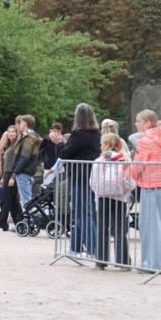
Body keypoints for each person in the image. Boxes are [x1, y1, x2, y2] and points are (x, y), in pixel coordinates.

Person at [59, 103, 101, 257]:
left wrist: (60, 144)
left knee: (82, 214)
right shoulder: (97, 134)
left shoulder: (78, 135)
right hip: (92, 177)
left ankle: (92, 249)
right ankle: (76, 247)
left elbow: (65, 154)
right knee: (84, 212)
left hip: (80, 178)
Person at [90, 133, 132, 269]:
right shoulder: (124, 159)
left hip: (103, 196)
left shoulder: (99, 160)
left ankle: (101, 261)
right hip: (120, 197)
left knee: (103, 228)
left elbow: (93, 181)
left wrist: (98, 192)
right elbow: (130, 180)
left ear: (106, 145)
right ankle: (123, 261)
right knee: (120, 229)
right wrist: (126, 193)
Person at [130, 110, 161, 271]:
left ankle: (151, 263)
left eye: (139, 121)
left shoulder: (144, 140)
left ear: (148, 123)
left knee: (149, 227)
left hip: (150, 185)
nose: (136, 124)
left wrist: (133, 176)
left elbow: (137, 167)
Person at [7, 115, 42, 207]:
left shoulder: (29, 138)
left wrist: (14, 174)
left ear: (25, 124)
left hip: (23, 172)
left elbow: (24, 157)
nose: (19, 125)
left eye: (21, 123)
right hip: (28, 172)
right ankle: (29, 220)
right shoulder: (33, 136)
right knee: (27, 199)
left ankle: (29, 220)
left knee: (26, 201)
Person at [0, 125, 22, 231]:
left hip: (12, 174)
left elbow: (17, 163)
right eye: (9, 132)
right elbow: (7, 163)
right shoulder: (9, 146)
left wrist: (12, 177)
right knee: (13, 201)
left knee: (6, 199)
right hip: (7, 174)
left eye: (13, 132)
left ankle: (0, 224)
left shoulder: (18, 146)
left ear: (17, 133)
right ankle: (20, 223)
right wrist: (3, 177)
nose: (10, 134)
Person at [40, 122, 65, 187]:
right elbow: (40, 150)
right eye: (54, 131)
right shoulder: (46, 140)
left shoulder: (63, 142)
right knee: (47, 186)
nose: (56, 133)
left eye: (58, 131)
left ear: (61, 131)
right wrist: (42, 161)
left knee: (59, 187)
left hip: (60, 167)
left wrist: (62, 142)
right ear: (51, 131)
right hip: (48, 166)